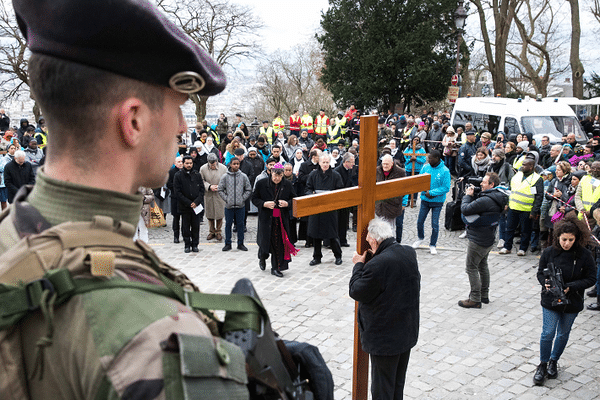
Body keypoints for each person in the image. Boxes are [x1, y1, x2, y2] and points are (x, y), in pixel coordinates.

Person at [349, 218, 420, 400]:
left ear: (373, 240)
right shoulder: (408, 252)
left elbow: (356, 290)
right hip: (405, 332)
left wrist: (358, 265)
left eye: (368, 241)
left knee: (382, 390)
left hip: (386, 340)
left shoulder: (378, 265)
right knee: (397, 384)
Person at [533, 216, 596, 385]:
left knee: (562, 334)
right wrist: (545, 283)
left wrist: (572, 286)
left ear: (576, 239)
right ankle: (543, 364)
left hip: (572, 301)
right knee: (548, 333)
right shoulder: (549, 252)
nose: (566, 243)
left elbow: (591, 278)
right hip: (550, 300)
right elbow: (540, 273)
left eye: (570, 240)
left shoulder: (584, 254)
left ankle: (554, 360)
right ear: (558, 237)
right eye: (563, 240)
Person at [458, 172, 509, 308]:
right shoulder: (498, 196)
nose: (481, 184)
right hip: (489, 236)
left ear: (492, 185)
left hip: (478, 238)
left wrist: (468, 196)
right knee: (482, 265)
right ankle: (484, 295)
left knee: (471, 267)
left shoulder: (486, 200)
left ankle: (475, 298)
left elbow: (465, 209)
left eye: (484, 182)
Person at [252, 162, 297, 277]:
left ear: (283, 175)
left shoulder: (287, 184)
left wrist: (287, 204)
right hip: (266, 218)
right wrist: (264, 204)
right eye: (275, 176)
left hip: (280, 219)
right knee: (265, 243)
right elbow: (254, 198)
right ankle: (262, 257)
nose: (277, 178)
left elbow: (294, 199)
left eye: (279, 176)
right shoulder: (261, 183)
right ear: (271, 173)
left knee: (278, 243)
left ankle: (276, 268)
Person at [305, 153, 344, 265]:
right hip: (316, 208)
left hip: (330, 209)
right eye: (323, 162)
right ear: (319, 162)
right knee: (316, 234)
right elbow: (308, 188)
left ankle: (338, 255)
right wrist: (312, 195)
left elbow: (339, 190)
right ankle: (317, 257)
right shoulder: (313, 175)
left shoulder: (336, 175)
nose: (325, 164)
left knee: (332, 234)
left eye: (327, 162)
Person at [499, 158, 544, 255]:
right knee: (509, 228)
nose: (522, 166)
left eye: (524, 165)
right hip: (513, 207)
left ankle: (522, 249)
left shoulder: (536, 179)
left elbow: (538, 197)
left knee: (525, 230)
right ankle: (507, 247)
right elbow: (510, 190)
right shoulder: (517, 175)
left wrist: (534, 211)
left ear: (531, 166)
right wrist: (507, 203)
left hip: (526, 209)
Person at [412, 150, 451, 254]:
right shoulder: (425, 167)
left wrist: (432, 192)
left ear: (437, 159)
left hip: (437, 201)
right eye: (428, 158)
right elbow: (420, 180)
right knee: (420, 221)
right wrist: (423, 190)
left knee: (435, 224)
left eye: (431, 158)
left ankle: (433, 244)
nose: (429, 160)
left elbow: (446, 187)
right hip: (425, 200)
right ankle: (420, 238)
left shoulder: (445, 171)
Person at [218, 157, 252, 251]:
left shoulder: (243, 176)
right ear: (230, 164)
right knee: (228, 224)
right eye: (234, 164)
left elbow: (248, 189)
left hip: (240, 206)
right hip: (229, 206)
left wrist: (242, 198)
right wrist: (227, 199)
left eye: (238, 164)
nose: (236, 165)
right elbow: (220, 189)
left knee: (240, 225)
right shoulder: (225, 176)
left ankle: (240, 243)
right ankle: (227, 243)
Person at [174, 155, 205, 253]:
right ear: (183, 164)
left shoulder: (197, 174)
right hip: (185, 206)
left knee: (196, 226)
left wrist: (196, 202)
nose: (189, 165)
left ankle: (195, 244)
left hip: (196, 206)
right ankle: (187, 244)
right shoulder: (178, 175)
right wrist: (188, 203)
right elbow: (177, 192)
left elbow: (202, 190)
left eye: (190, 163)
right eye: (187, 163)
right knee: (185, 227)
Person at [375, 154, 407, 243]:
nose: (385, 166)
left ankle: (391, 245)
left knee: (390, 228)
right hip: (379, 205)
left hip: (392, 205)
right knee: (379, 227)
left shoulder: (400, 172)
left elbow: (403, 190)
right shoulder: (377, 170)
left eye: (387, 164)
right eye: (383, 164)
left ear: (392, 164)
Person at [200, 153, 227, 241]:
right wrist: (209, 186)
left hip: (220, 194)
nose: (213, 165)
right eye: (211, 164)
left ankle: (218, 231)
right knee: (210, 214)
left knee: (219, 214)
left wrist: (220, 187)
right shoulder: (203, 168)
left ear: (217, 161)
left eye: (214, 163)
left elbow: (226, 180)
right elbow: (201, 181)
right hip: (209, 194)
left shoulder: (223, 168)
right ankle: (211, 231)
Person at [335, 152, 357, 247]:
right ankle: (337, 241)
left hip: (345, 200)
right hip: (338, 200)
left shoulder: (348, 170)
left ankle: (343, 240)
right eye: (352, 162)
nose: (353, 164)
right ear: (346, 162)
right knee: (338, 222)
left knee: (344, 221)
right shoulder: (337, 171)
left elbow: (350, 183)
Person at [166, 156, 183, 243]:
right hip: (175, 198)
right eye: (178, 162)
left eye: (181, 162)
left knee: (185, 218)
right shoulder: (171, 172)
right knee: (176, 218)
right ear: (175, 163)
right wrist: (178, 188)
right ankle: (176, 236)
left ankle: (185, 234)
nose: (180, 163)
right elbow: (169, 184)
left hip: (184, 199)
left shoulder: (185, 172)